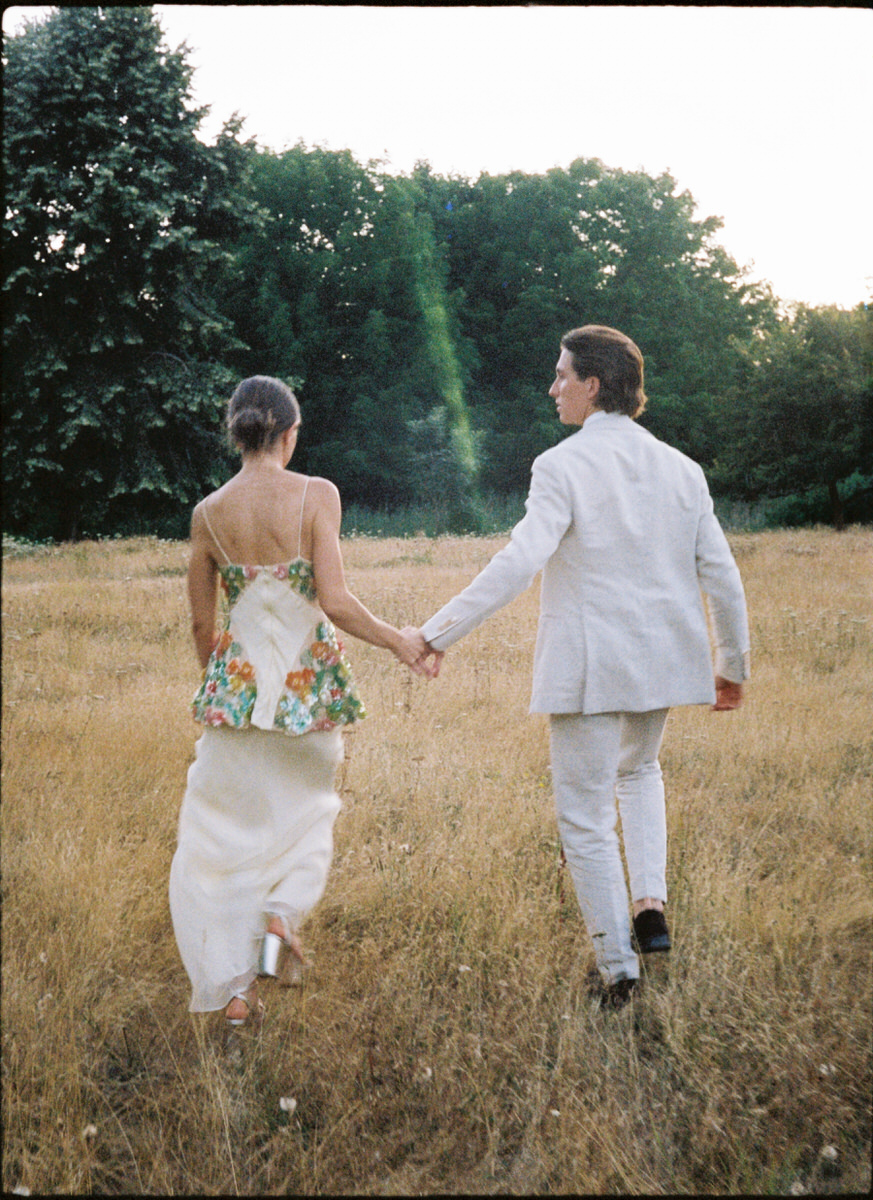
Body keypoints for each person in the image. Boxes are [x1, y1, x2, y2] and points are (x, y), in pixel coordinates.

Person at [418, 325, 749, 1008]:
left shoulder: (561, 466)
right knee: (639, 769)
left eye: (561, 374)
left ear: (593, 386)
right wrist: (731, 662)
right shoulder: (682, 470)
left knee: (585, 818)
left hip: (592, 665)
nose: (552, 387)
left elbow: (518, 562)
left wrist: (436, 631)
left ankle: (617, 972)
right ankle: (648, 905)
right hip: (660, 659)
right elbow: (720, 572)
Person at [170, 376, 432, 1027]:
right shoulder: (317, 495)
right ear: (290, 433)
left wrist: (226, 689)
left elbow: (204, 628)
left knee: (225, 843)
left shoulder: (208, 513)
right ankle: (276, 931)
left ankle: (235, 996)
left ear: (235, 433)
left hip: (239, 699)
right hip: (306, 695)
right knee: (303, 826)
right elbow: (335, 601)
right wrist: (399, 641)